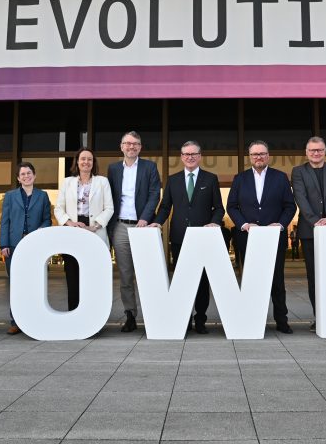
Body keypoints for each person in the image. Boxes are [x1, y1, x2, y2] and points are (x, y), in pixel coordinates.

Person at [151, 140, 224, 334]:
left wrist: (215, 222)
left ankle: (200, 319)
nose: (189, 157)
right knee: (181, 280)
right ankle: (182, 319)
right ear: (181, 157)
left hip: (203, 238)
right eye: (186, 154)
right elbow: (165, 207)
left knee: (202, 281)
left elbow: (219, 208)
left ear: (200, 156)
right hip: (179, 238)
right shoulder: (172, 180)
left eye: (193, 154)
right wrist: (157, 221)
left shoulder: (210, 179)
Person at [227, 140, 297, 334]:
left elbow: (290, 206)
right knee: (249, 280)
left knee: (277, 281)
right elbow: (231, 206)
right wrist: (244, 224)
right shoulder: (240, 179)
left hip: (274, 238)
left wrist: (280, 224)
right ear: (250, 157)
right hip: (247, 238)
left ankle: (281, 320)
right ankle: (249, 320)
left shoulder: (280, 177)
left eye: (262, 154)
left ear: (268, 156)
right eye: (255, 154)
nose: (258, 157)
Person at [290, 136, 326, 332]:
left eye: (320, 150)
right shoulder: (298, 172)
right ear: (306, 152)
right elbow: (300, 197)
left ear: (324, 151)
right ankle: (320, 317)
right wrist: (316, 221)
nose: (316, 153)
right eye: (312, 150)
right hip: (309, 232)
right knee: (314, 277)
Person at [107, 131, 161, 332]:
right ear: (121, 146)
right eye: (128, 143)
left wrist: (145, 218)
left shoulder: (150, 167)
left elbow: (155, 194)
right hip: (120, 226)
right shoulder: (112, 169)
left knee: (148, 272)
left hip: (143, 225)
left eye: (136, 144)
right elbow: (109, 196)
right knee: (126, 274)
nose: (132, 147)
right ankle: (130, 314)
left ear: (140, 147)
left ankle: (155, 314)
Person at [56, 148, 113, 312]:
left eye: (89, 159)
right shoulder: (67, 182)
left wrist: (94, 226)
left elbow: (109, 208)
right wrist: (70, 223)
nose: (86, 162)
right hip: (72, 230)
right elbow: (59, 208)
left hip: (95, 229)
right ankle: (73, 312)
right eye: (83, 159)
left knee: (93, 275)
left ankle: (92, 314)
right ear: (77, 162)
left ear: (93, 162)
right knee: (72, 274)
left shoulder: (102, 182)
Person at [0, 162, 52, 335]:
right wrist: (4, 244)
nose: (26, 176)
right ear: (18, 178)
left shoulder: (43, 196)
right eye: (22, 174)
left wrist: (39, 231)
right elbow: (5, 221)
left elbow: (47, 220)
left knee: (35, 283)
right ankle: (15, 321)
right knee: (16, 284)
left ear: (34, 175)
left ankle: (35, 318)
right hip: (14, 246)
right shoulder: (9, 196)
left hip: (35, 247)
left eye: (29, 173)